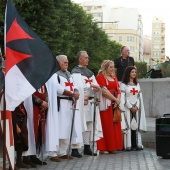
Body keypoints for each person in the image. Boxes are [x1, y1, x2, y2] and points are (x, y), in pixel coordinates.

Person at [71, 51, 103, 156]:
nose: (87, 60)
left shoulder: (90, 73)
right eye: (85, 58)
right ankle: (74, 148)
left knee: (89, 125)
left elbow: (96, 84)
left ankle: (87, 146)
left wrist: (96, 88)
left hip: (90, 101)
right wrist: (91, 87)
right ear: (80, 59)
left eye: (88, 58)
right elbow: (77, 86)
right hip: (81, 102)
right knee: (79, 124)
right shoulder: (75, 72)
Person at [55, 54, 83, 159]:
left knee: (67, 127)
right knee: (59, 127)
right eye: (64, 62)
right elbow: (58, 88)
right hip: (60, 104)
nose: (67, 64)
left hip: (69, 103)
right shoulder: (55, 74)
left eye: (67, 62)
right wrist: (72, 94)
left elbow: (74, 85)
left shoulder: (68, 74)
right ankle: (54, 152)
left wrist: (75, 92)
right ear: (58, 63)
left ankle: (63, 152)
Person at [96, 60, 123, 153]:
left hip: (115, 104)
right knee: (106, 125)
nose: (112, 69)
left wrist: (117, 100)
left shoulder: (114, 77)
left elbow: (118, 90)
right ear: (105, 68)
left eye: (113, 67)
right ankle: (104, 147)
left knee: (114, 125)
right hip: (106, 104)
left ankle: (113, 146)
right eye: (110, 67)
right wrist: (115, 99)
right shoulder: (100, 77)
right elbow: (104, 92)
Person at [120, 66, 147, 151]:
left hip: (136, 109)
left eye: (135, 72)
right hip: (128, 109)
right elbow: (122, 98)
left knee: (136, 126)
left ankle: (137, 144)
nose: (134, 73)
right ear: (128, 73)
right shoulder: (123, 85)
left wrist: (137, 106)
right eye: (132, 72)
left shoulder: (137, 85)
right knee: (129, 126)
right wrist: (130, 106)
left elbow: (139, 97)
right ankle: (129, 144)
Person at [22, 85, 48, 167]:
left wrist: (45, 102)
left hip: (40, 109)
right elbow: (28, 93)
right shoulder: (29, 77)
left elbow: (45, 93)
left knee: (37, 132)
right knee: (30, 131)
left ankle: (34, 154)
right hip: (31, 107)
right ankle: (26, 156)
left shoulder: (43, 80)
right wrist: (40, 102)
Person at [12, 103, 31, 169]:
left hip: (21, 121)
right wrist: (16, 126)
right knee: (14, 142)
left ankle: (19, 161)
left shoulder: (19, 101)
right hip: (15, 122)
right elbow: (11, 113)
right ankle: (11, 163)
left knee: (21, 141)